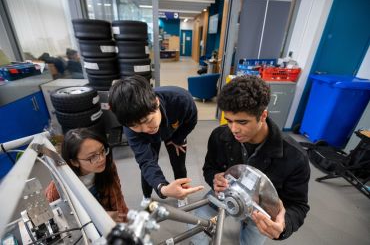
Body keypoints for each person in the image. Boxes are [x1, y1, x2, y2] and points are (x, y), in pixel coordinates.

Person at [191, 75, 310, 244]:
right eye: (229, 120)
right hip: (225, 194)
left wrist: (283, 226)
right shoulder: (220, 136)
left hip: (260, 212)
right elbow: (209, 168)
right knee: (196, 228)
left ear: (263, 115)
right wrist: (214, 178)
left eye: (242, 122)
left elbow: (298, 205)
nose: (234, 129)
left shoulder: (295, 157)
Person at [108, 75, 204, 204]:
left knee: (179, 164)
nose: (146, 128)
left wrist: (178, 138)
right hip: (147, 140)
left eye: (148, 121)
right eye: (135, 126)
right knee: (149, 165)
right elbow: (146, 161)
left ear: (156, 102)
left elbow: (191, 121)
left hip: (173, 132)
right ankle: (147, 195)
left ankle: (182, 194)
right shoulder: (130, 127)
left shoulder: (181, 99)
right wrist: (162, 188)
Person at [45, 128, 129, 222]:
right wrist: (101, 216)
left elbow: (117, 196)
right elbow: (64, 221)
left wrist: (123, 218)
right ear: (74, 162)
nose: (102, 159)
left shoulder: (108, 166)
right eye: (92, 157)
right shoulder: (58, 189)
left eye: (102, 150)